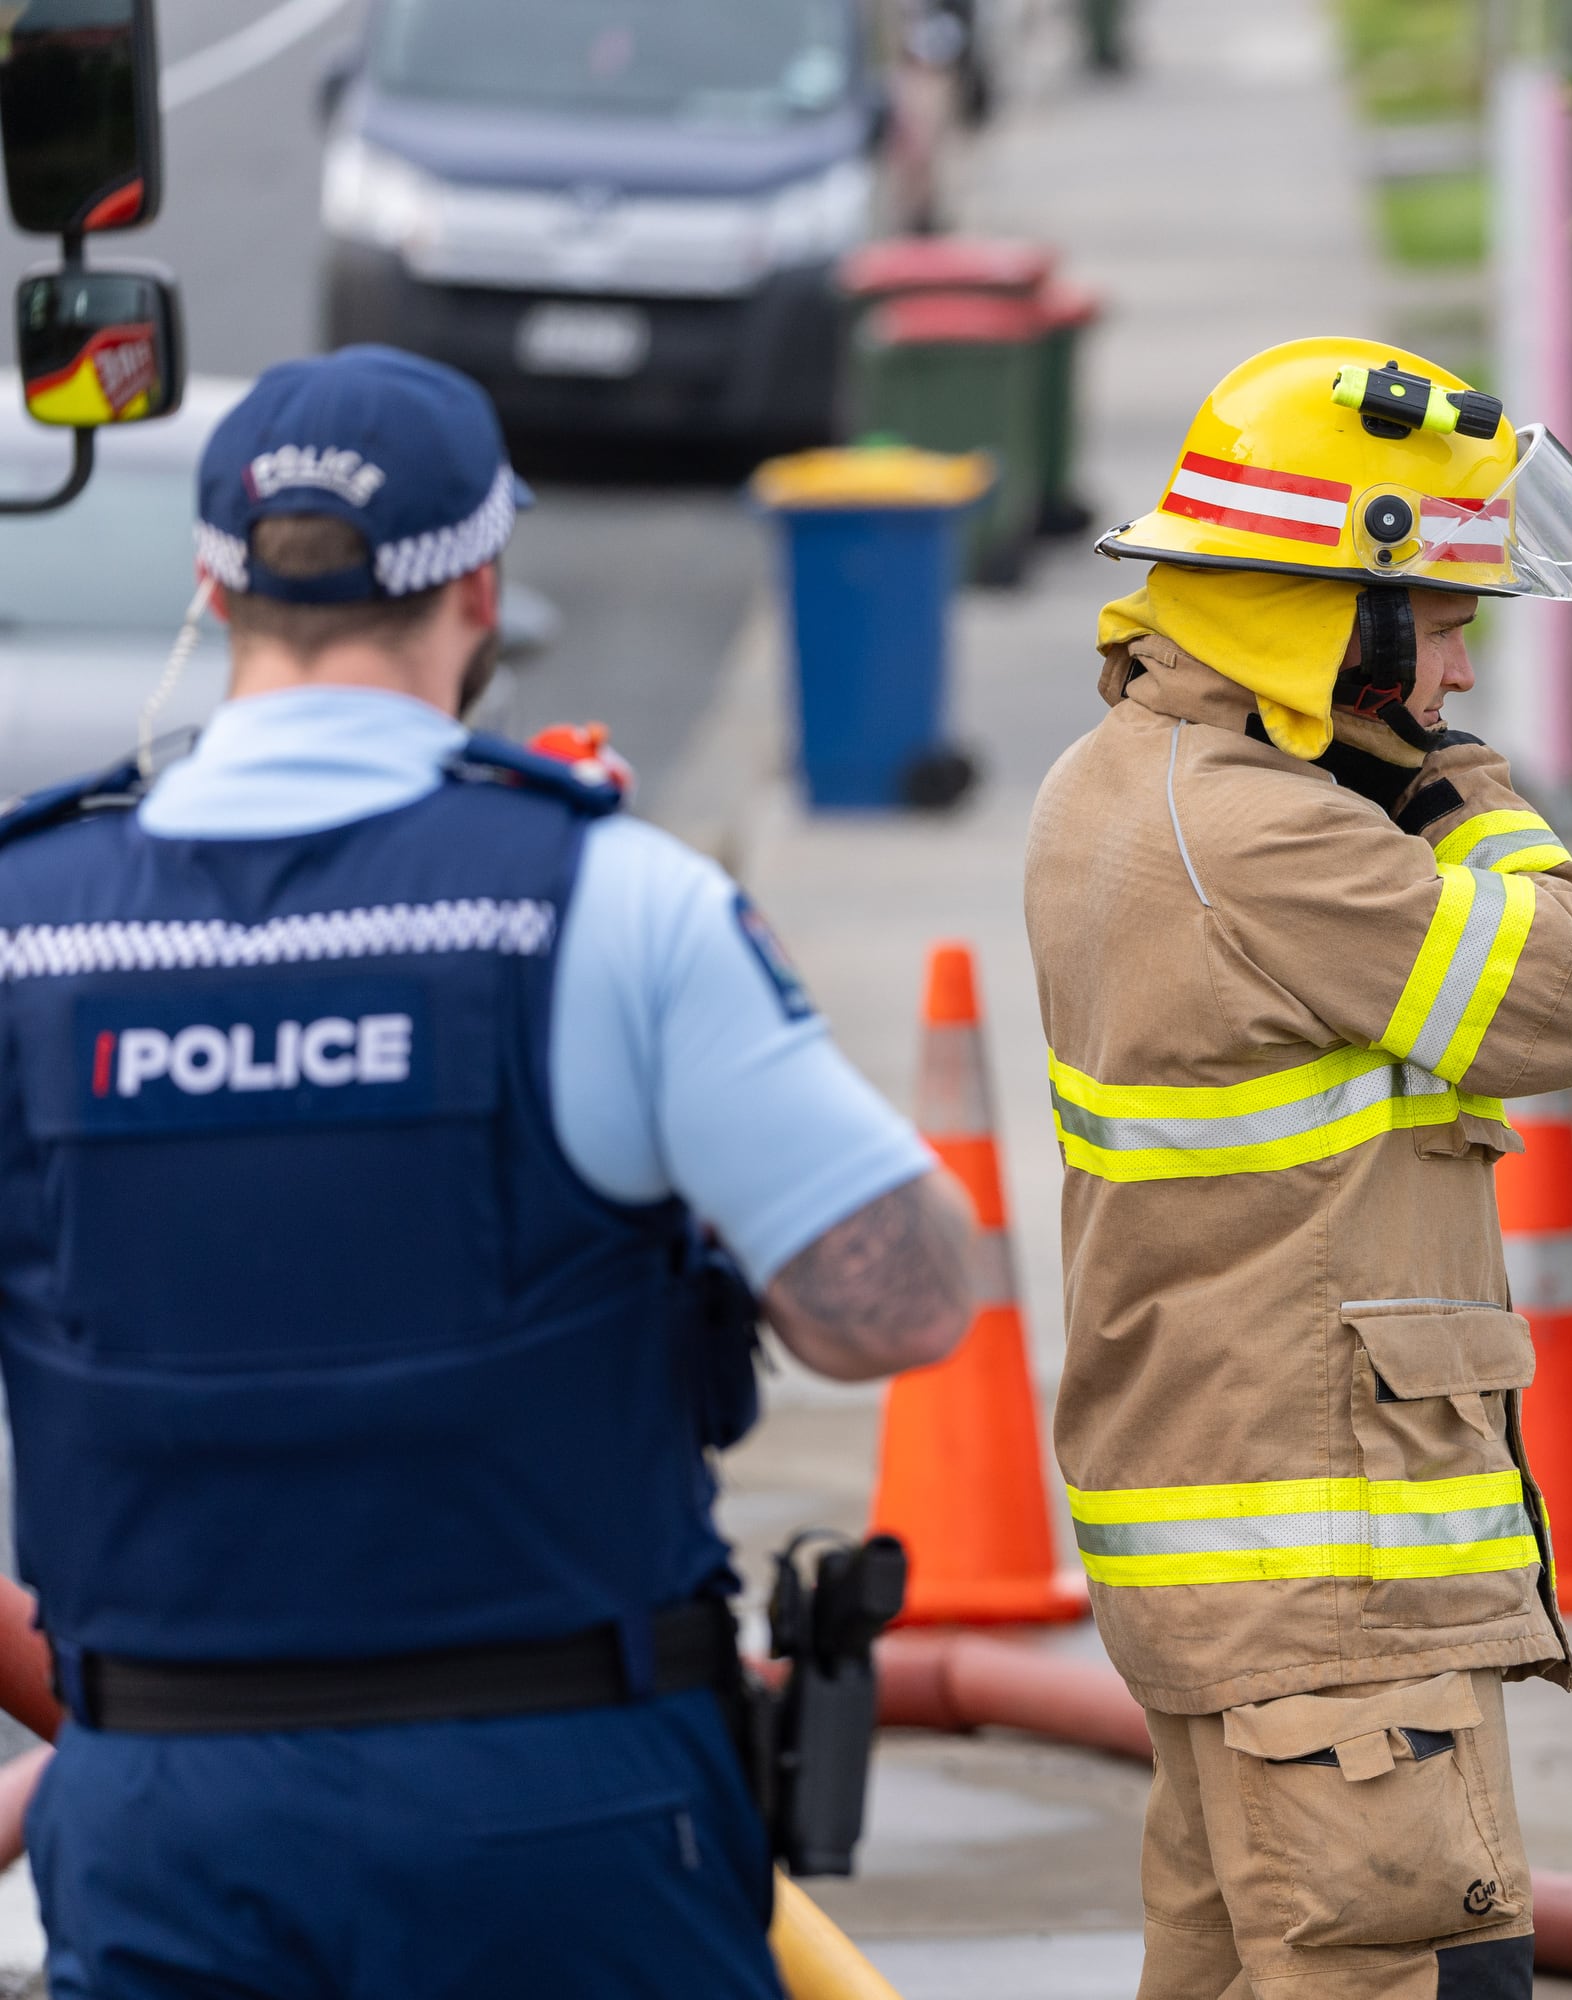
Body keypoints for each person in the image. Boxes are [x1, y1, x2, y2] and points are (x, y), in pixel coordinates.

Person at [0, 346, 975, 1998]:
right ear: (481, 581)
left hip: (173, 1805)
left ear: (211, 583)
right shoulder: (614, 904)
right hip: (564, 1801)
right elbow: (903, 1308)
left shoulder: (30, 924)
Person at [1024, 336, 1572, 2000]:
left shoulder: (1126, 787)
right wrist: (1458, 788)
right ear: (1331, 620)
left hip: (1249, 1586)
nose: (1458, 674)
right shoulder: (1274, 839)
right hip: (1338, 1609)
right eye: (1442, 625)